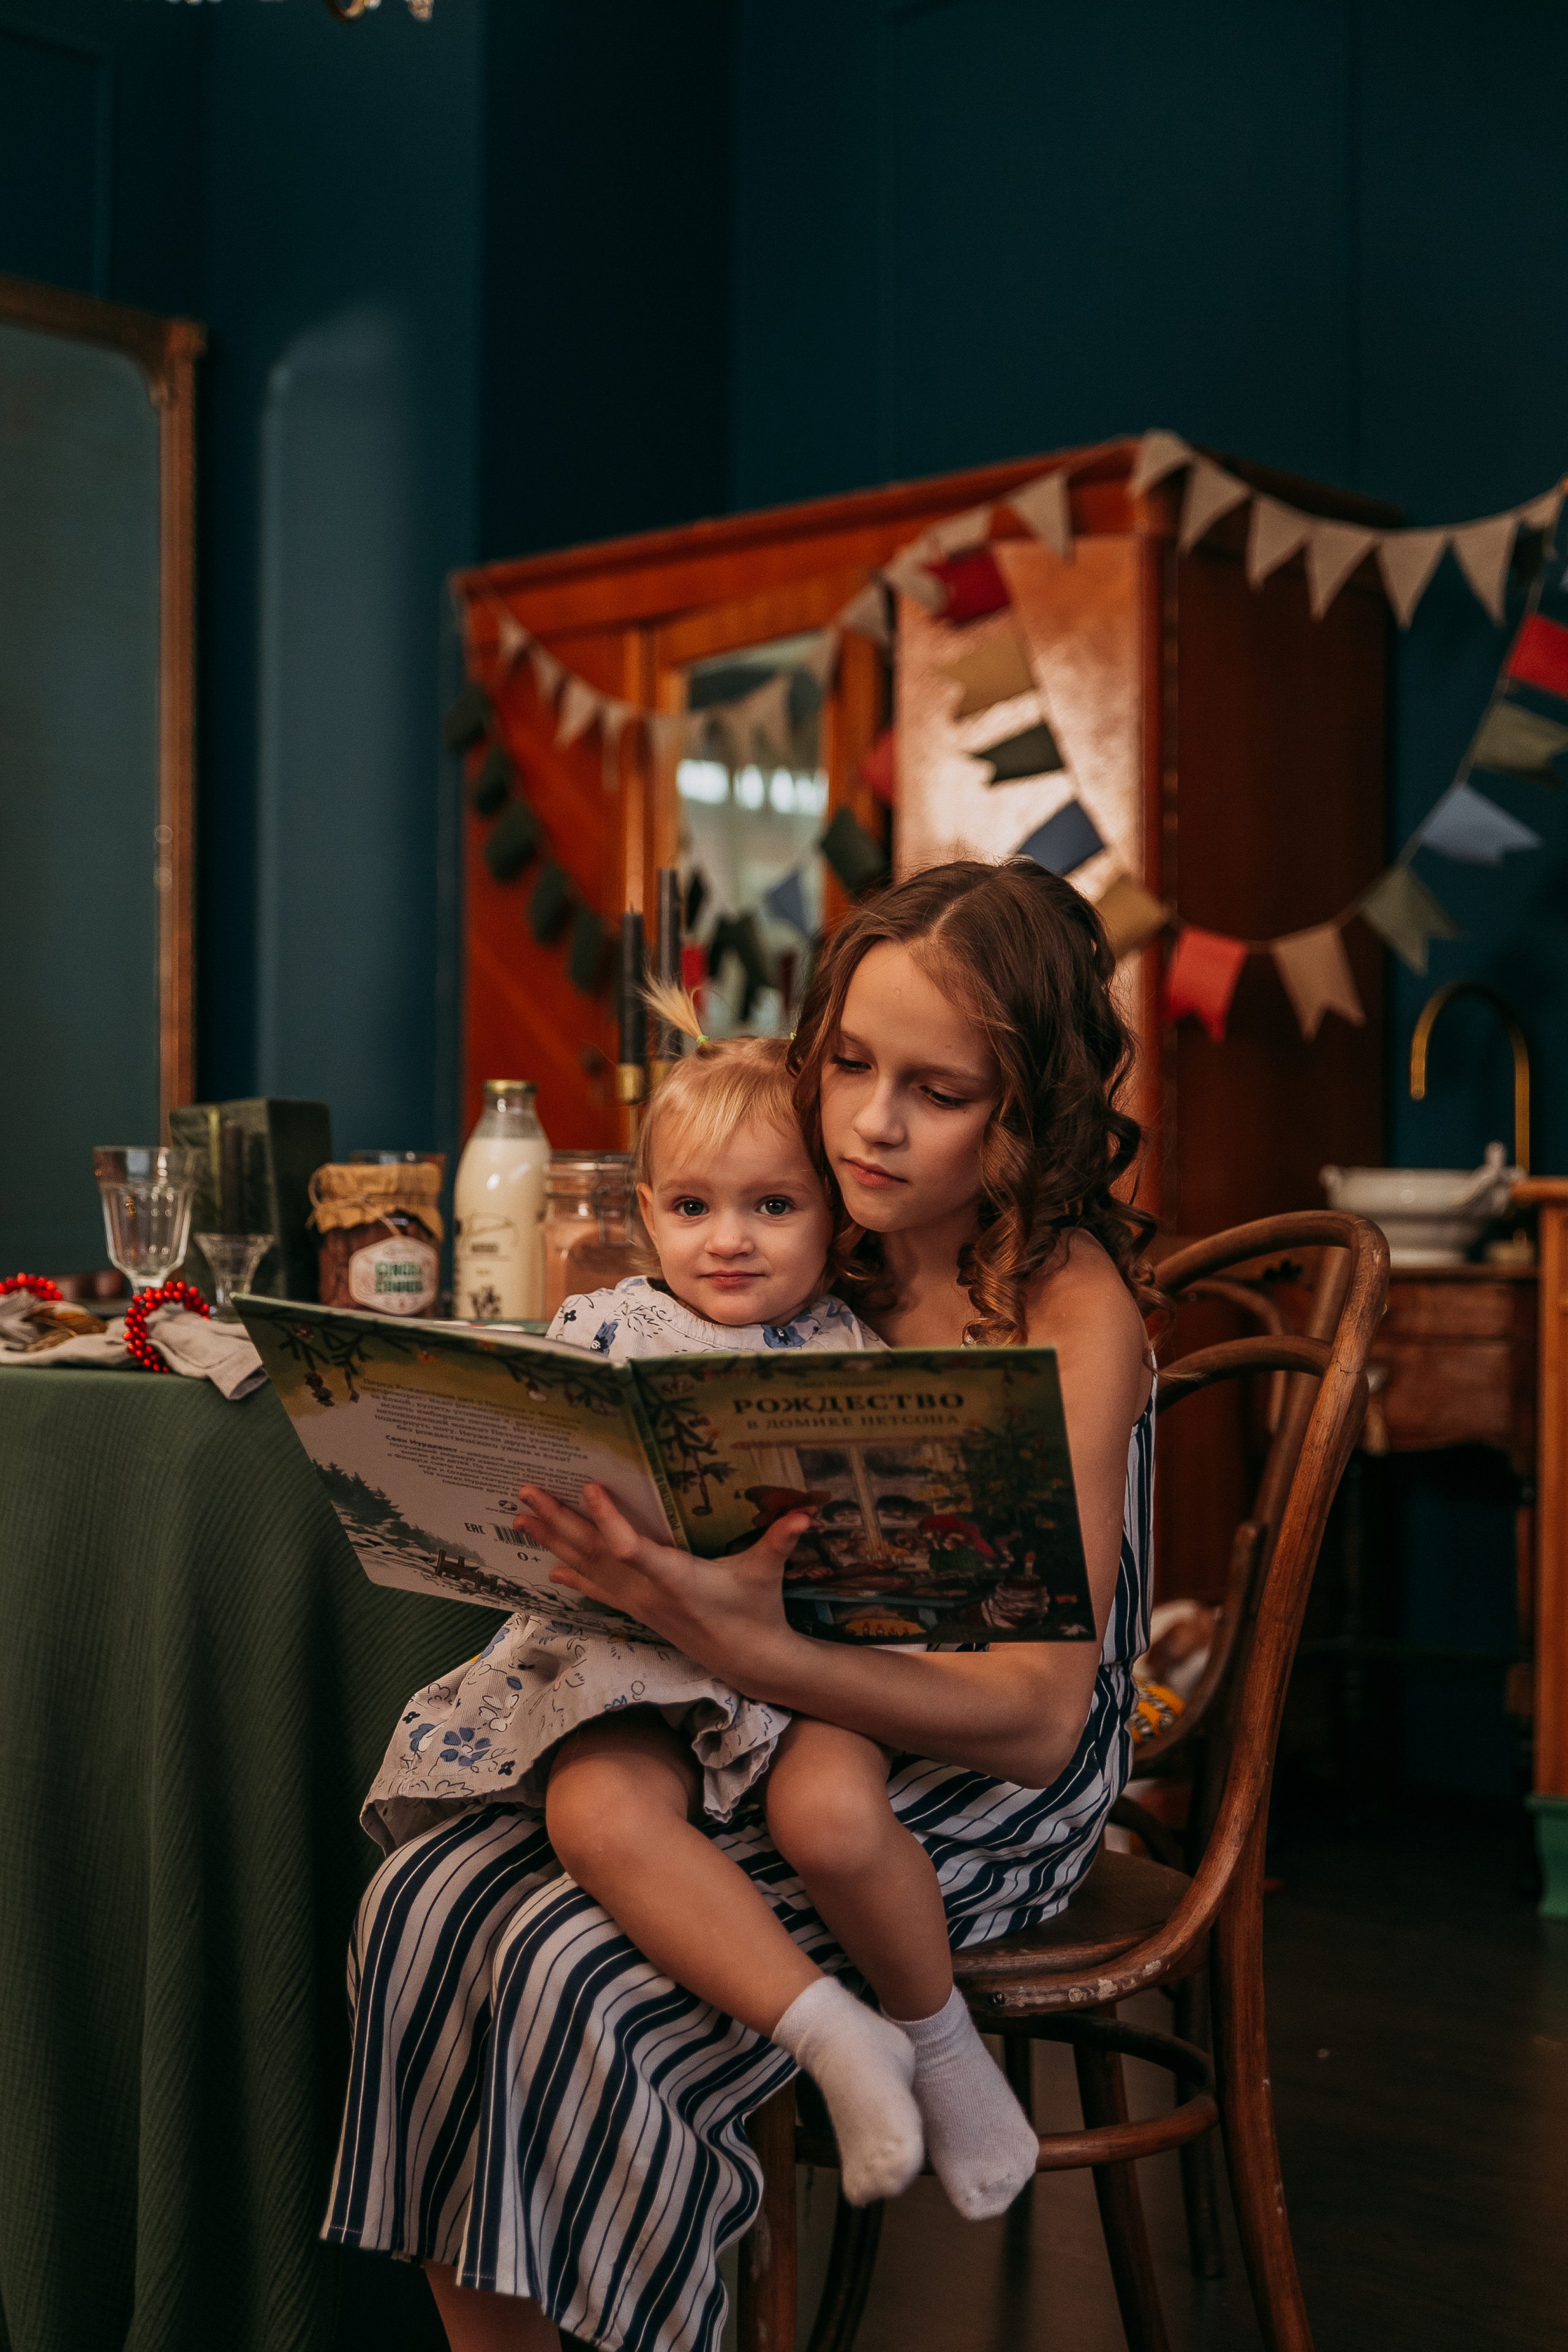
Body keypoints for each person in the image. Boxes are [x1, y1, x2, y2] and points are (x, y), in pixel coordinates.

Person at [326, 859, 1158, 2352]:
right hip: (748, 1706)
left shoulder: (1060, 1300)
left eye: (937, 1090)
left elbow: (1033, 1727)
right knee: (425, 1901)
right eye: (845, 1063)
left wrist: (737, 1643)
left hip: (949, 1770)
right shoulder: (810, 1231)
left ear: (1028, 1111)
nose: (869, 1125)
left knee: (570, 1965)